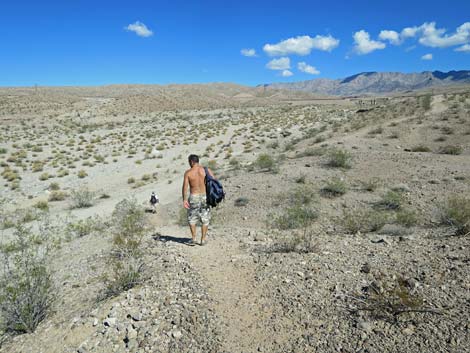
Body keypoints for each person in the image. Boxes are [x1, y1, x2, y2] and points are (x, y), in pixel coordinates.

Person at [182, 154, 215, 246]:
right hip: (205, 196)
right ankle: (203, 240)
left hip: (194, 196)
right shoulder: (206, 170)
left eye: (189, 162)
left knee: (192, 218)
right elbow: (214, 181)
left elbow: (185, 187)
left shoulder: (188, 173)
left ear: (191, 162)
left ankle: (193, 239)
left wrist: (184, 199)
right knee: (205, 219)